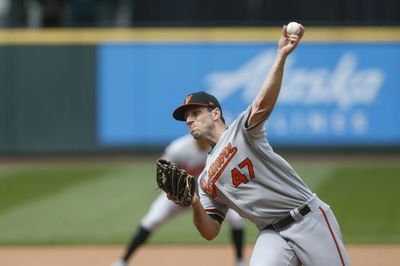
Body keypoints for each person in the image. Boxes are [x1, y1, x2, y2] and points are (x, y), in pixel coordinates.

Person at [171, 24, 350, 266]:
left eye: (195, 112)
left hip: (308, 220)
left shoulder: (242, 132)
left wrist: (281, 56)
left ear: (215, 113)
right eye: (186, 117)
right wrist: (193, 202)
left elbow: (262, 103)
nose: (189, 119)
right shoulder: (205, 181)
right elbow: (210, 231)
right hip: (270, 233)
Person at [112, 134, 247, 266]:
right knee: (152, 220)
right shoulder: (179, 148)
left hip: (210, 195)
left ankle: (240, 261)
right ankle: (123, 261)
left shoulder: (220, 148)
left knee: (235, 219)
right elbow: (162, 172)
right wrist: (173, 190)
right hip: (178, 195)